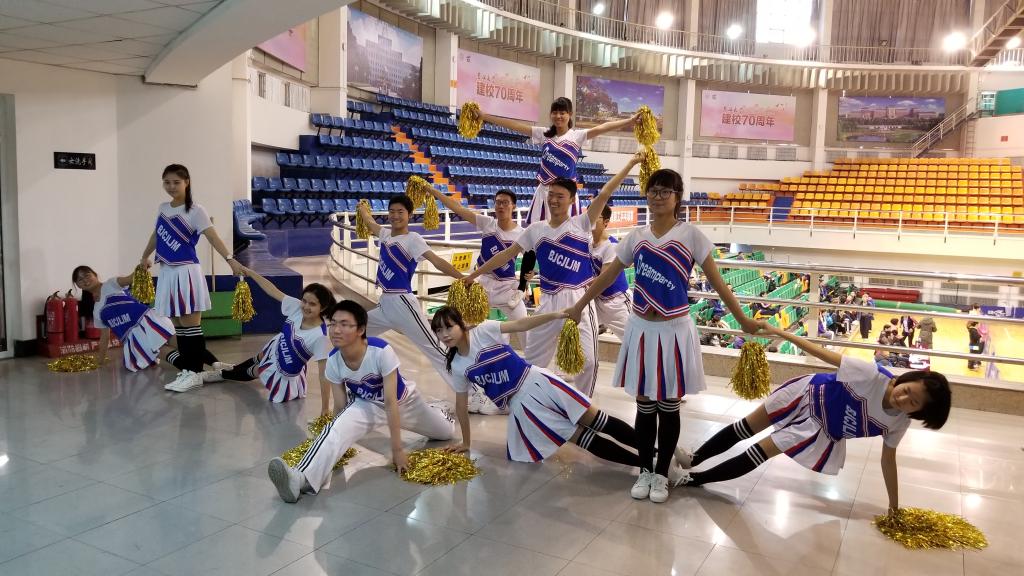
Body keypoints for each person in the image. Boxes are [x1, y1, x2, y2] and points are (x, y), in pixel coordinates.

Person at [569, 167, 758, 504]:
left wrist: (742, 318)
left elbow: (717, 282)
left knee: (669, 407)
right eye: (653, 190)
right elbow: (607, 276)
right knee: (644, 406)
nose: (657, 197)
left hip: (674, 330)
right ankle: (645, 469)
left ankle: (661, 474)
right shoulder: (636, 236)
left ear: (677, 197)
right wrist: (580, 304)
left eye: (664, 191)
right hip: (641, 328)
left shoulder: (691, 236)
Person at [676, 322, 952, 519]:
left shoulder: (899, 423)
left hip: (818, 429)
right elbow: (822, 354)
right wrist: (778, 332)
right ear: (907, 379)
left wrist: (894, 506)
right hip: (807, 393)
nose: (903, 399)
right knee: (745, 428)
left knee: (761, 451)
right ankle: (693, 458)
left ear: (918, 414)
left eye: (913, 403)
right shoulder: (873, 375)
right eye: (908, 390)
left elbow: (888, 460)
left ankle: (692, 479)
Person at [431, 306, 687, 489]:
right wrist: (466, 442)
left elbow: (522, 324)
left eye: (449, 327)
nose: (445, 335)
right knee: (581, 438)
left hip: (537, 381)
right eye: (439, 330)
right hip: (523, 406)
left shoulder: (484, 331)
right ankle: (649, 468)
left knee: (598, 420)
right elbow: (461, 406)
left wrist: (556, 315)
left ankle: (660, 456)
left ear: (461, 324)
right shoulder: (457, 366)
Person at [465, 154, 642, 397]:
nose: (554, 200)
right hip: (547, 301)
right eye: (551, 195)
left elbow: (605, 193)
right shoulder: (535, 230)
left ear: (571, 200)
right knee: (533, 360)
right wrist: (473, 275)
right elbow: (506, 255)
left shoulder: (581, 224)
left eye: (560, 196)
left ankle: (582, 405)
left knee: (588, 362)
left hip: (578, 300)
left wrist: (630, 164)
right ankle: (525, 401)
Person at [266, 301, 455, 503]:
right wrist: (338, 437)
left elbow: (391, 403)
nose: (336, 330)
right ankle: (299, 479)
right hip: (366, 405)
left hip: (405, 402)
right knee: (336, 429)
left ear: (361, 329)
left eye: (344, 324)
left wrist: (397, 450)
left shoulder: (380, 351)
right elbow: (340, 407)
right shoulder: (333, 360)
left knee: (445, 433)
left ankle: (438, 409)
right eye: (333, 324)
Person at [139, 164, 242, 392]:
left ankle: (194, 374)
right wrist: (144, 256)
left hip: (186, 272)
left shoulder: (196, 210)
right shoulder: (163, 208)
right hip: (167, 272)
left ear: (187, 183)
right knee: (179, 327)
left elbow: (213, 237)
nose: (171, 186)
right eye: (167, 182)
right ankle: (189, 371)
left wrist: (230, 260)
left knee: (191, 326)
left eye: (176, 182)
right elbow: (156, 235)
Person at [426, 186, 525, 415]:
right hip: (479, 286)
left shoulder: (522, 234)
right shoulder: (487, 224)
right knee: (464, 332)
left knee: (526, 331)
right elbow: (458, 208)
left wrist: (523, 286)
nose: (500, 206)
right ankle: (472, 390)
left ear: (513, 206)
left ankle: (529, 382)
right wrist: (435, 193)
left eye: (505, 202)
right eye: (497, 202)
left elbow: (529, 260)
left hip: (507, 288)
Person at [469, 96, 640, 226]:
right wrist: (484, 116)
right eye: (555, 112)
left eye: (562, 112)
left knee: (567, 231)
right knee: (538, 233)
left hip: (566, 195)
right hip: (545, 192)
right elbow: (514, 125)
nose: (558, 116)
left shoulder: (577, 136)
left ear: (569, 115)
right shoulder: (544, 134)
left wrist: (631, 121)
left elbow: (603, 127)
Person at [355, 195, 467, 390]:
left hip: (403, 304)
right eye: (392, 212)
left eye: (400, 212)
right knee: (355, 333)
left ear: (410, 215)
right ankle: (368, 381)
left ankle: (472, 391)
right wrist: (363, 208)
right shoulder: (385, 235)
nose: (395, 216)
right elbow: (370, 222)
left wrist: (462, 278)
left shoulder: (413, 239)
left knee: (436, 349)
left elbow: (436, 261)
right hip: (385, 304)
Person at [210, 265, 335, 406]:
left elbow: (323, 375)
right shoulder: (297, 306)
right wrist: (250, 272)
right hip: (277, 346)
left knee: (256, 370)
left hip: (284, 369)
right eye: (304, 301)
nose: (306, 306)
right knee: (259, 357)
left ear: (323, 307)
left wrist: (325, 408)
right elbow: (272, 290)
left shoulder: (320, 337)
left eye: (312, 304)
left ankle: (220, 374)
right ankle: (230, 368)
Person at [72, 265, 174, 371]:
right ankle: (186, 368)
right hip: (134, 337)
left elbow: (131, 278)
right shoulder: (97, 310)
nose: (85, 280)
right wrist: (100, 361)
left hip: (147, 321)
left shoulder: (111, 284)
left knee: (175, 343)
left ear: (95, 275)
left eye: (87, 275)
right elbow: (104, 337)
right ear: (78, 285)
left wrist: (142, 266)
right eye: (80, 279)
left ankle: (186, 367)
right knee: (159, 350)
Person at [590, 204, 631, 339]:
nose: (590, 219)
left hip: (616, 303)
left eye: (595, 216)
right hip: (597, 301)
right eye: (589, 214)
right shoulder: (587, 243)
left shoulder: (612, 246)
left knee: (635, 341)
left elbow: (602, 282)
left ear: (606, 222)